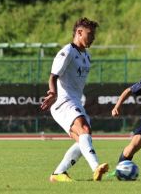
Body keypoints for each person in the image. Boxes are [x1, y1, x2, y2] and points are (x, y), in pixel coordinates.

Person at [41, 17, 109, 182]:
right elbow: (53, 76)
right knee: (84, 129)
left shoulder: (87, 56)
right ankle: (96, 168)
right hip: (63, 101)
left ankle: (58, 174)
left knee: (84, 139)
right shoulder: (68, 52)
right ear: (79, 33)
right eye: (90, 34)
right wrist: (52, 92)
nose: (93, 38)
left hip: (75, 101)